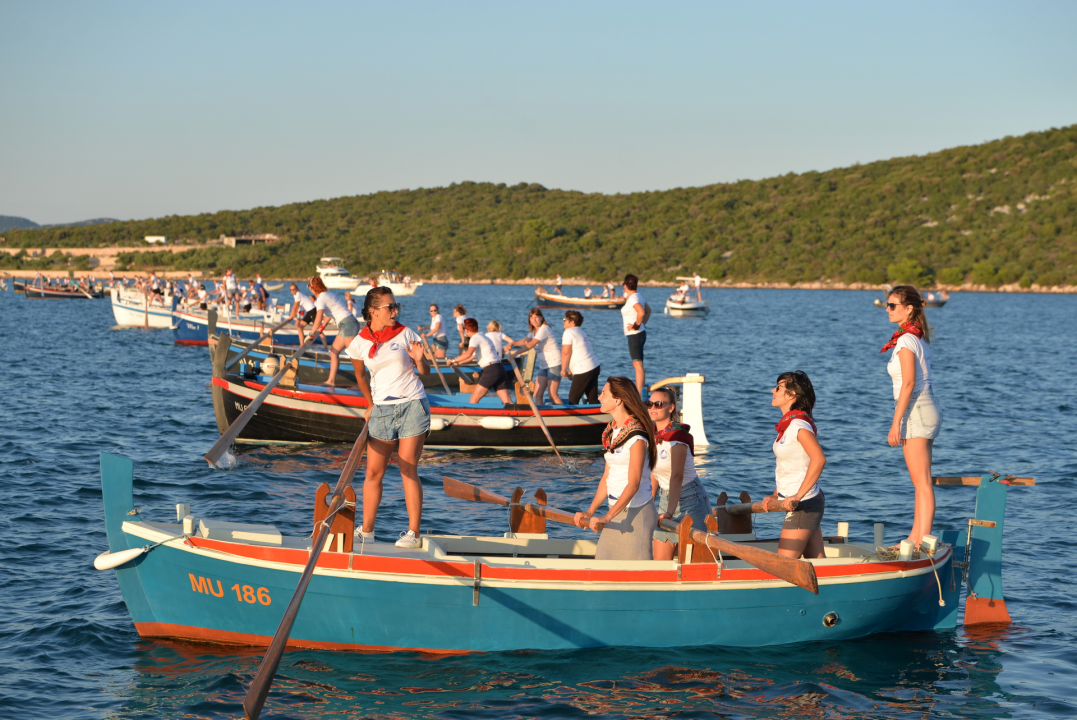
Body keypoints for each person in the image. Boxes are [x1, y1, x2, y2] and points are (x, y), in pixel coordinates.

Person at [347, 287, 430, 550]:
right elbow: (360, 376)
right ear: (373, 311)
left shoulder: (406, 334)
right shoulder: (358, 343)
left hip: (412, 405)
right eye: (390, 307)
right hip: (381, 409)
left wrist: (419, 360)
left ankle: (414, 533)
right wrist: (369, 404)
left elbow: (424, 371)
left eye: (396, 306)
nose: (395, 311)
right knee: (373, 473)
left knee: (408, 469)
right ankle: (367, 531)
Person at [574, 377, 658, 560]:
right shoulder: (613, 431)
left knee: (634, 579)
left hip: (636, 515)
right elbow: (607, 476)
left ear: (618, 399)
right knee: (601, 569)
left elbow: (633, 484)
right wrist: (590, 511)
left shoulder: (637, 435)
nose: (599, 397)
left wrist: (607, 517)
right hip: (614, 513)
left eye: (603, 393)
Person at [883, 285, 942, 548]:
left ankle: (921, 540)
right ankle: (915, 537)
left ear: (909, 309)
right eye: (887, 304)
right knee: (921, 480)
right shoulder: (916, 338)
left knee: (921, 481)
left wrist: (896, 422)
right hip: (925, 407)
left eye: (892, 305)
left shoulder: (906, 340)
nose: (887, 309)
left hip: (916, 409)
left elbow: (908, 384)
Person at [761, 371, 827, 559]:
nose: (773, 390)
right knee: (818, 563)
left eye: (779, 387)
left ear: (792, 394)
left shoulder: (799, 425)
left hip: (804, 503)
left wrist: (797, 495)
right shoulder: (788, 425)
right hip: (801, 502)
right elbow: (790, 466)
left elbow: (819, 459)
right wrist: (775, 495)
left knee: (784, 564)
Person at [648, 386, 711, 561]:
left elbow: (677, 476)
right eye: (649, 403)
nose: (653, 408)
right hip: (666, 497)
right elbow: (654, 474)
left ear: (671, 408)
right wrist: (649, 502)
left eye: (658, 404)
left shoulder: (678, 436)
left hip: (691, 499)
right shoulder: (653, 437)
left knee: (698, 561)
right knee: (660, 562)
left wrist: (669, 513)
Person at [308, 276, 361, 387]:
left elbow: (318, 319)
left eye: (309, 286)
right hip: (347, 324)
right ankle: (331, 382)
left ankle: (362, 384)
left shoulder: (321, 299)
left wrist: (310, 334)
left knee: (355, 356)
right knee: (333, 352)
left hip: (348, 324)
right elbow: (329, 314)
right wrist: (322, 327)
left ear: (312, 288)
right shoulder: (328, 294)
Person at [449, 318, 512, 403]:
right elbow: (473, 357)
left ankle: (469, 416)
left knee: (473, 399)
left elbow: (468, 354)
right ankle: (519, 414)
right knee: (507, 401)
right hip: (500, 368)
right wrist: (459, 363)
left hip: (491, 370)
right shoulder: (483, 336)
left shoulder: (475, 338)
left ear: (467, 330)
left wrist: (452, 360)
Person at [510, 308, 563, 405]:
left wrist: (515, 353)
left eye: (536, 317)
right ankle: (541, 415)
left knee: (552, 395)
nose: (534, 320)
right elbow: (525, 341)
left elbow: (530, 344)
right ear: (529, 319)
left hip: (554, 364)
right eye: (532, 318)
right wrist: (512, 343)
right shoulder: (534, 330)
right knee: (537, 394)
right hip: (543, 365)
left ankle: (566, 417)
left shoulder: (544, 329)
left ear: (541, 318)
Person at [560, 310, 600, 404]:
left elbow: (566, 352)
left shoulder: (568, 332)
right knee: (593, 399)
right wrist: (571, 371)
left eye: (565, 319)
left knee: (573, 399)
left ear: (572, 322)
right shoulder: (581, 331)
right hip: (594, 367)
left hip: (584, 370)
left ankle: (571, 418)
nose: (563, 321)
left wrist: (563, 369)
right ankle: (602, 416)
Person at [621, 274, 647, 391]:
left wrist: (636, 326)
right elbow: (648, 311)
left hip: (635, 335)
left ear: (625, 286)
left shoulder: (633, 298)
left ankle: (639, 393)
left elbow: (641, 312)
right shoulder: (638, 296)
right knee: (638, 364)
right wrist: (642, 324)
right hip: (639, 334)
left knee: (638, 365)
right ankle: (640, 390)